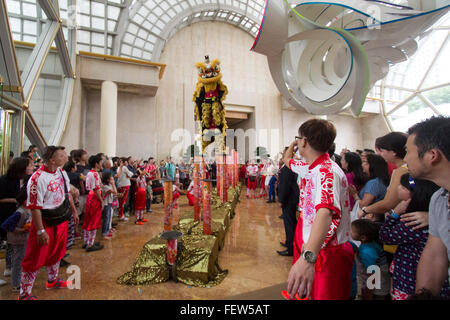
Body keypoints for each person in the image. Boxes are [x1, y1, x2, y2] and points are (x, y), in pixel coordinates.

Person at [283, 119, 354, 300]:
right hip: (313, 244)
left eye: (299, 139)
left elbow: (325, 213)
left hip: (325, 250)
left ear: (304, 141)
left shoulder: (327, 172)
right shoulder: (310, 168)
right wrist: (294, 143)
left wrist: (308, 258)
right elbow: (287, 160)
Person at [19, 146, 79, 300]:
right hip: (45, 222)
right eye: (62, 155)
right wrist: (40, 231)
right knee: (35, 257)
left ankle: (52, 280)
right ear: (52, 160)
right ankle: (24, 294)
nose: (66, 157)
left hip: (61, 218)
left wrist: (73, 211)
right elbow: (35, 208)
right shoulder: (37, 179)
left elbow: (66, 193)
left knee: (58, 252)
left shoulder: (60, 171)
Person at [379, 173, 449, 299]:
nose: (397, 188)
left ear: (414, 194)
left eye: (403, 187)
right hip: (434, 280)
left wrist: (395, 214)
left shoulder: (412, 221)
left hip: (410, 280)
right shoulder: (430, 215)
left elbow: (385, 236)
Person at [402, 116, 450, 298]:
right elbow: (435, 255)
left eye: (408, 151)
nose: (405, 158)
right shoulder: (439, 200)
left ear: (432, 155)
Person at [358, 132, 408, 219]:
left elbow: (388, 203)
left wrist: (365, 210)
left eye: (382, 151)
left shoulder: (401, 172)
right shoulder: (406, 169)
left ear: (393, 152)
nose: (381, 154)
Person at [0, 157, 34, 280]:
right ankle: (9, 267)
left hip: (23, 213)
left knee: (19, 242)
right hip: (8, 212)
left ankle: (17, 267)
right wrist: (16, 200)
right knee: (9, 240)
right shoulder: (5, 180)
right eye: (29, 165)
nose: (32, 167)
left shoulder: (28, 179)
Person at [0, 186, 31, 292]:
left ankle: (19, 280)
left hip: (23, 239)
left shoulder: (27, 210)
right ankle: (15, 284)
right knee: (17, 261)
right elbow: (5, 225)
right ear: (24, 201)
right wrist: (21, 230)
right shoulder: (19, 212)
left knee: (20, 260)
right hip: (17, 240)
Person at [351, 219, 390, 300]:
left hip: (377, 288)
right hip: (375, 283)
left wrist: (369, 291)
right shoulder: (369, 244)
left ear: (363, 237)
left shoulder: (367, 252)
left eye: (352, 231)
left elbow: (373, 273)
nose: (350, 232)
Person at [349, 154, 390, 222]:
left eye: (365, 162)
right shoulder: (381, 180)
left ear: (373, 165)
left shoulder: (373, 183)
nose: (362, 165)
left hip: (371, 219)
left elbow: (363, 205)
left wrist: (355, 195)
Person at [277, 147, 300, 257]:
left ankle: (291, 248)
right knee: (289, 222)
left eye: (285, 152)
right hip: (290, 198)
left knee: (289, 223)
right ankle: (288, 242)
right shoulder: (288, 166)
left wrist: (281, 199)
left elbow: (285, 186)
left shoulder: (288, 167)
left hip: (288, 199)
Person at [101, 172, 117, 240]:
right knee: (106, 218)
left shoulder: (109, 186)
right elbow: (115, 192)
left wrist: (113, 184)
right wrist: (113, 184)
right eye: (111, 179)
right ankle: (104, 232)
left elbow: (114, 193)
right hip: (106, 204)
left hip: (109, 203)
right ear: (107, 180)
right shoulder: (105, 187)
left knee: (109, 217)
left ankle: (107, 230)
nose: (112, 180)